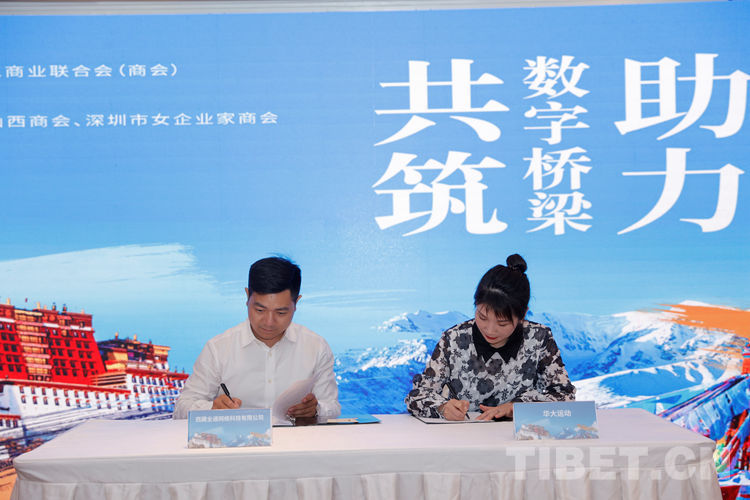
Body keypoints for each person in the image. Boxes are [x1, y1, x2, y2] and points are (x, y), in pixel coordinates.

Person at [405, 254, 575, 421]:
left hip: (517, 436)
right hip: (462, 433)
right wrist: (443, 407)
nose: (490, 330)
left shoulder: (539, 338)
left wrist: (515, 408)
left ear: (522, 315)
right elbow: (417, 396)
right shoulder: (454, 339)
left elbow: (564, 396)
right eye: (482, 317)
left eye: (502, 323)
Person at [174, 256, 341, 419]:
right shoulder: (218, 348)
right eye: (260, 310)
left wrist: (316, 410)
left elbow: (332, 407)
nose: (269, 322)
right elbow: (182, 408)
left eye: (281, 312)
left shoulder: (316, 347)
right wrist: (212, 409)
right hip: (237, 437)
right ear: (247, 297)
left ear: (296, 302)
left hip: (295, 437)